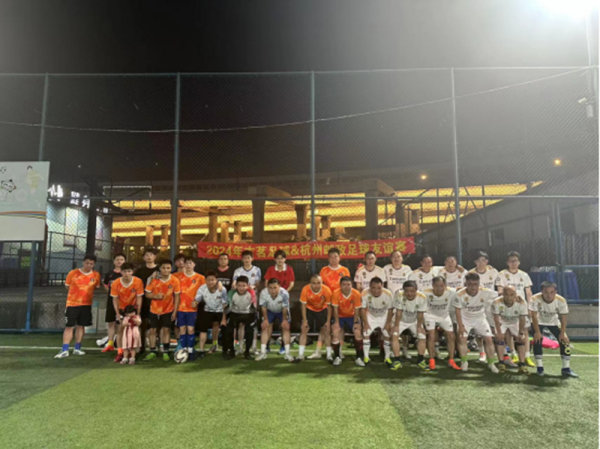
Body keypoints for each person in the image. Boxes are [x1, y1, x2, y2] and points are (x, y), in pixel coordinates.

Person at [55, 255, 101, 359]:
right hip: (72, 304)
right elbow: (67, 286)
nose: (89, 265)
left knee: (81, 326)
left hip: (86, 304)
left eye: (91, 264)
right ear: (83, 262)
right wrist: (75, 295)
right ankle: (64, 349)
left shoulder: (96, 275)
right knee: (69, 326)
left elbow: (96, 287)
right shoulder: (73, 273)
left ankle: (77, 348)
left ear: (94, 264)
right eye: (87, 263)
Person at [530, 281, 578, 378]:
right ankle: (540, 368)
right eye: (546, 292)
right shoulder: (535, 299)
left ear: (555, 292)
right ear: (541, 291)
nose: (549, 295)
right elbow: (534, 316)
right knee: (537, 341)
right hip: (538, 322)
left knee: (565, 342)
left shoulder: (561, 300)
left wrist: (562, 333)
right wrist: (537, 332)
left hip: (554, 322)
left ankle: (566, 369)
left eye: (552, 292)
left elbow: (563, 317)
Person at [454, 273, 499, 373]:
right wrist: (460, 326)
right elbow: (457, 311)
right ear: (466, 284)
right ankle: (464, 362)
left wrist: (516, 296)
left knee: (489, 339)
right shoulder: (460, 294)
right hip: (465, 319)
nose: (473, 287)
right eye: (470, 284)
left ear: (479, 284)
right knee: (462, 339)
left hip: (480, 318)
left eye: (475, 284)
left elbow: (500, 293)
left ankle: (491, 363)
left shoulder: (486, 292)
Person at [495, 251, 534, 367]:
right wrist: (511, 296)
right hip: (507, 307)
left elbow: (528, 293)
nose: (513, 263)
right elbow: (499, 291)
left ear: (519, 262)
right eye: (511, 261)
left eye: (515, 261)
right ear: (507, 262)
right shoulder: (501, 274)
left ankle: (527, 356)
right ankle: (513, 354)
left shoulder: (524, 275)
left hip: (521, 307)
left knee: (524, 331)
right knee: (508, 331)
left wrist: (530, 307)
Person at [144, 259, 180, 362]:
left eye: (168, 268)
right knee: (152, 330)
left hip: (168, 309)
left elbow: (177, 296)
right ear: (159, 268)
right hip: (154, 310)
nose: (166, 270)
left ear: (171, 269)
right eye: (163, 268)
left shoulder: (175, 280)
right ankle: (152, 351)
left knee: (166, 330)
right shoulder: (153, 279)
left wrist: (175, 311)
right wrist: (155, 296)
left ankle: (165, 352)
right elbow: (147, 294)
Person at [388, 281, 428, 370]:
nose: (409, 294)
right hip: (400, 320)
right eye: (407, 291)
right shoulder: (399, 295)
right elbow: (399, 312)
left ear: (416, 290)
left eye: (412, 291)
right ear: (404, 291)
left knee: (422, 336)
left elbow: (420, 313)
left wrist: (419, 326)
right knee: (394, 335)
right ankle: (397, 360)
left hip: (414, 321)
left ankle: (421, 360)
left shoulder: (422, 297)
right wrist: (396, 326)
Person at [423, 277, 461, 370]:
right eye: (436, 286)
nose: (439, 288)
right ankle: (431, 360)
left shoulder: (451, 291)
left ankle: (451, 360)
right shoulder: (425, 292)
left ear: (445, 286)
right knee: (431, 336)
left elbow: (461, 289)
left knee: (451, 336)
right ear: (433, 286)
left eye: (441, 286)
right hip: (430, 315)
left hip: (444, 316)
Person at [110, 262, 144, 363]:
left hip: (133, 310)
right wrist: (117, 314)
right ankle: (120, 352)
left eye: (129, 271)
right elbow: (115, 299)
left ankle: (133, 351)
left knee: (135, 330)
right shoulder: (116, 283)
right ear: (121, 272)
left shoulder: (138, 281)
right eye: (124, 271)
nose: (126, 274)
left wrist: (138, 313)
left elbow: (139, 297)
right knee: (120, 329)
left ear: (132, 272)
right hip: (122, 309)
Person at [470, 251, 500, 363]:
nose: (481, 263)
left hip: (491, 304)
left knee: (494, 327)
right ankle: (481, 353)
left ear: (487, 261)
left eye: (483, 260)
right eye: (478, 261)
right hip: (478, 304)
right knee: (479, 330)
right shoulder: (471, 273)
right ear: (475, 262)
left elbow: (499, 286)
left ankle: (497, 351)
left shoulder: (493, 271)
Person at [492, 286, 530, 375]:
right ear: (502, 294)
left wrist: (521, 333)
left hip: (515, 322)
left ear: (515, 294)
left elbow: (522, 319)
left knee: (521, 339)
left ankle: (522, 364)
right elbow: (496, 318)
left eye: (511, 294)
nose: (509, 297)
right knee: (499, 338)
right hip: (502, 321)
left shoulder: (522, 302)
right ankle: (501, 363)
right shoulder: (496, 302)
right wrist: (499, 332)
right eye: (506, 294)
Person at [173, 257, 206, 360]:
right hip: (180, 308)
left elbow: (204, 292)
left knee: (191, 330)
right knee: (182, 330)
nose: (188, 265)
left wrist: (197, 301)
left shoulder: (200, 278)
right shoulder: (177, 276)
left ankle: (191, 351)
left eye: (190, 263)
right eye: (186, 263)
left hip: (192, 309)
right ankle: (183, 351)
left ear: (194, 264)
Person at [256, 279, 295, 362]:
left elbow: (285, 308)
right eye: (270, 288)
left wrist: (284, 320)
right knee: (265, 327)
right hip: (269, 310)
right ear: (267, 287)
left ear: (279, 287)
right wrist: (265, 319)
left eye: (275, 288)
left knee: (286, 328)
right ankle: (263, 352)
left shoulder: (284, 293)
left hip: (282, 311)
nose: (273, 290)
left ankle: (287, 353)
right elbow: (263, 307)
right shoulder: (263, 293)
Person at [384, 250, 413, 360]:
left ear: (402, 258)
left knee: (405, 328)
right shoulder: (386, 268)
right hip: (391, 302)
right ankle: (392, 349)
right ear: (391, 258)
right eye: (394, 256)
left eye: (399, 256)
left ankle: (405, 350)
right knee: (392, 327)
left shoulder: (407, 269)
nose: (396, 258)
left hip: (405, 301)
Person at [296, 274, 332, 362]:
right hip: (309, 309)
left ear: (322, 283)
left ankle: (329, 355)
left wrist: (328, 321)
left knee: (326, 330)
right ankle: (300, 355)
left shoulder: (326, 290)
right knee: (304, 330)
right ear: (310, 283)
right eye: (314, 283)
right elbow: (303, 306)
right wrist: (305, 321)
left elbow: (329, 307)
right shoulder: (305, 289)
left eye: (318, 283)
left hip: (322, 309)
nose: (316, 285)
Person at [331, 276, 365, 366]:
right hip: (340, 316)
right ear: (340, 285)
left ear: (352, 285)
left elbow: (357, 309)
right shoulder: (335, 293)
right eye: (344, 284)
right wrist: (337, 322)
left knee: (357, 332)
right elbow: (335, 309)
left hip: (352, 316)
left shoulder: (356, 293)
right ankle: (337, 357)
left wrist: (355, 322)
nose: (346, 287)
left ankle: (359, 358)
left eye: (348, 284)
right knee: (335, 332)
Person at [194, 271, 228, 359]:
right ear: (205, 280)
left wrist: (224, 318)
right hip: (208, 310)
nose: (210, 282)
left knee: (224, 329)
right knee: (203, 330)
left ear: (216, 280)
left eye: (212, 280)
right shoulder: (202, 288)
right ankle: (201, 350)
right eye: (208, 280)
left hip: (220, 311)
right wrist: (194, 303)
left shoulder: (222, 289)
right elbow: (197, 299)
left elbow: (225, 305)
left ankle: (223, 349)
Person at [233, 251, 262, 354]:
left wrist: (249, 289)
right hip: (240, 300)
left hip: (252, 299)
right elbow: (234, 284)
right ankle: (240, 348)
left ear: (252, 258)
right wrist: (238, 288)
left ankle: (253, 348)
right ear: (242, 259)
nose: (246, 260)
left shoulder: (257, 270)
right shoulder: (238, 271)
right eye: (245, 258)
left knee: (253, 324)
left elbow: (257, 284)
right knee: (241, 324)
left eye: (248, 258)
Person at [360, 277, 394, 366]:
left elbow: (390, 310)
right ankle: (366, 357)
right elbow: (362, 309)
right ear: (369, 287)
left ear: (382, 286)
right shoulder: (364, 293)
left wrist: (388, 323)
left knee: (387, 334)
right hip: (371, 316)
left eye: (379, 288)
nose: (376, 291)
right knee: (366, 333)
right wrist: (366, 323)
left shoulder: (388, 294)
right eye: (373, 288)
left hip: (384, 316)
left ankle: (387, 357)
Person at [223, 275, 256, 360]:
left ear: (247, 286)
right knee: (229, 330)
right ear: (236, 285)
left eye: (244, 286)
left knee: (249, 330)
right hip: (235, 313)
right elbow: (228, 306)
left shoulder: (251, 292)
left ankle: (247, 352)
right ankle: (231, 351)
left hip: (247, 313)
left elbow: (254, 306)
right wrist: (225, 317)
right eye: (239, 286)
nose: (241, 288)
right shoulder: (231, 293)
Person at [134, 247, 159, 354]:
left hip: (157, 301)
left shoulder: (160, 270)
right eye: (146, 255)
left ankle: (157, 346)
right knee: (142, 324)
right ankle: (142, 346)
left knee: (157, 325)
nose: (149, 257)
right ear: (143, 257)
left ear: (155, 257)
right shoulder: (139, 271)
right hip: (143, 301)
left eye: (151, 255)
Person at [101, 253, 125, 353]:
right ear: (114, 261)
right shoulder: (109, 274)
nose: (119, 261)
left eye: (121, 260)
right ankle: (110, 344)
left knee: (121, 324)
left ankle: (121, 346)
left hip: (123, 302)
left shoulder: (126, 273)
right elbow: (106, 285)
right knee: (111, 323)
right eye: (117, 259)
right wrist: (112, 294)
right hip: (111, 301)